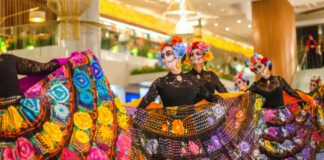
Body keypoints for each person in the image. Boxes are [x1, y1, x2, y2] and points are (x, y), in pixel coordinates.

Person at [131, 36, 263, 159]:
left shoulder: (193, 80)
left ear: (179, 54)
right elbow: (142, 105)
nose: (164, 57)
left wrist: (212, 113)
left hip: (194, 130)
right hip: (168, 135)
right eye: (163, 55)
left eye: (168, 53)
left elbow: (213, 98)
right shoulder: (159, 82)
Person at [0, 51, 128, 159]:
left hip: (20, 113)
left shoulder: (7, 59)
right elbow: (44, 67)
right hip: (22, 113)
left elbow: (43, 68)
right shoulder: (7, 59)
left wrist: (69, 62)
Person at [247, 53, 318, 159]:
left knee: (287, 145)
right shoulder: (256, 86)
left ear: (266, 65)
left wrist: (309, 98)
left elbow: (292, 93)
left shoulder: (279, 80)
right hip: (266, 120)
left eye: (260, 66)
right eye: (256, 69)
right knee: (268, 149)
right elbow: (243, 96)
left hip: (283, 116)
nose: (259, 70)